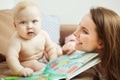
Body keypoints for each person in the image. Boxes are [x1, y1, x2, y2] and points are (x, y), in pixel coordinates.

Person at [6, 1, 62, 77]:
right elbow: (11, 57)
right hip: (25, 62)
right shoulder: (16, 40)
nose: (29, 26)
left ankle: (51, 64)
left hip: (43, 58)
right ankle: (46, 69)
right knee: (33, 64)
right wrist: (20, 70)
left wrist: (52, 60)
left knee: (56, 49)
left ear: (40, 22)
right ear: (15, 25)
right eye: (23, 22)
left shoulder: (43, 34)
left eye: (34, 21)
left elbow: (50, 48)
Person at [62, 7, 120, 80]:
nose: (75, 33)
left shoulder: (114, 67)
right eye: (79, 26)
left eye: (85, 31)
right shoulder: (87, 55)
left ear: (101, 43)